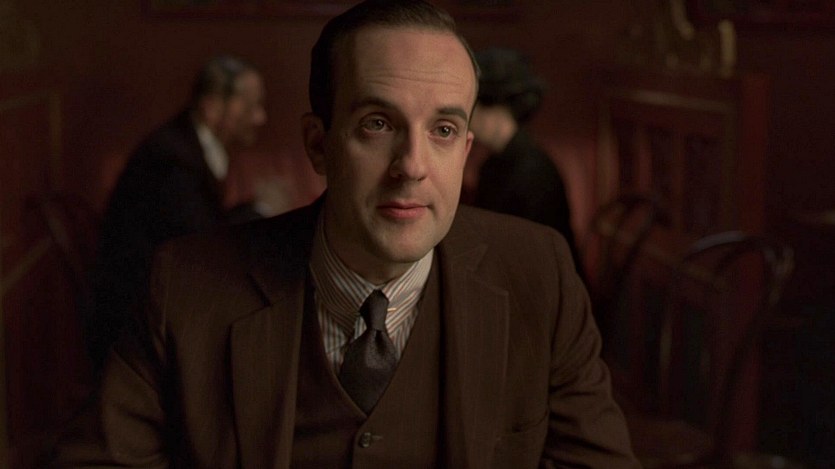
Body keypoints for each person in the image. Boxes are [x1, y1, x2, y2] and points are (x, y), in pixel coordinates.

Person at [50, 1, 639, 467]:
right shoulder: (186, 285)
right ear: (318, 144)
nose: (412, 166)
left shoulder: (540, 275)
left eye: (441, 129)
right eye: (377, 124)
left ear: (465, 150)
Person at [86, 55, 270, 373]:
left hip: (160, 300)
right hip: (136, 322)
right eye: (251, 106)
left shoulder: (185, 145)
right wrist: (266, 215)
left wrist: (258, 210)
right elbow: (202, 243)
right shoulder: (172, 159)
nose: (260, 117)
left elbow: (203, 223)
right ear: (212, 107)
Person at [470, 47, 584, 276]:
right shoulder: (495, 164)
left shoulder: (532, 170)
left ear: (496, 108)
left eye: (474, 106)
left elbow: (535, 254)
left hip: (542, 281)